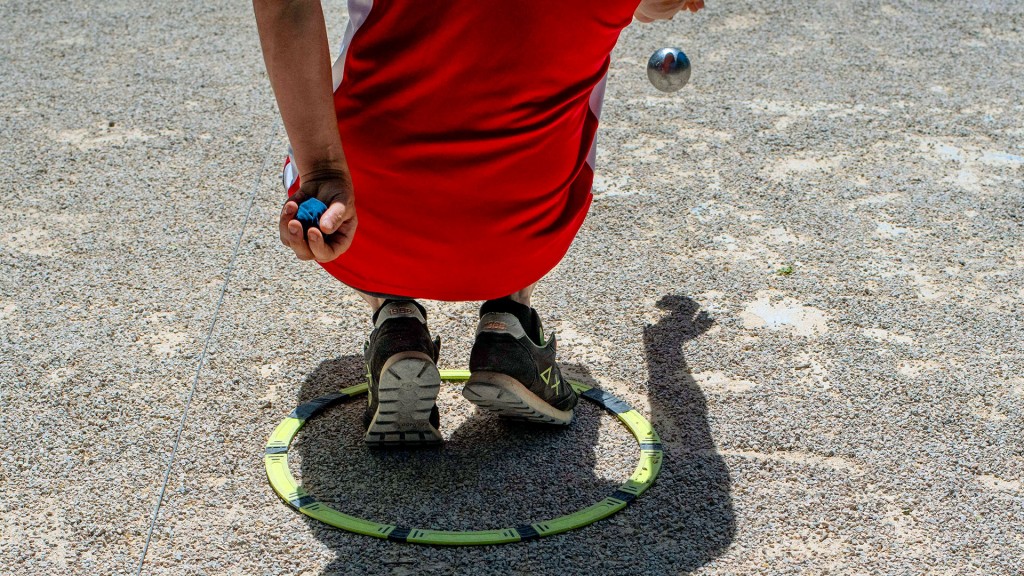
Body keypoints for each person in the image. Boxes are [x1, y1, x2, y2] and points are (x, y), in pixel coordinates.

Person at [253, 0, 704, 446]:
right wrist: (667, 346)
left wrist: (322, 168)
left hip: (356, 223)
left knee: (327, 129)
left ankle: (396, 320)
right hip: (520, 235)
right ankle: (508, 325)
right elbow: (649, 7)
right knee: (551, 104)